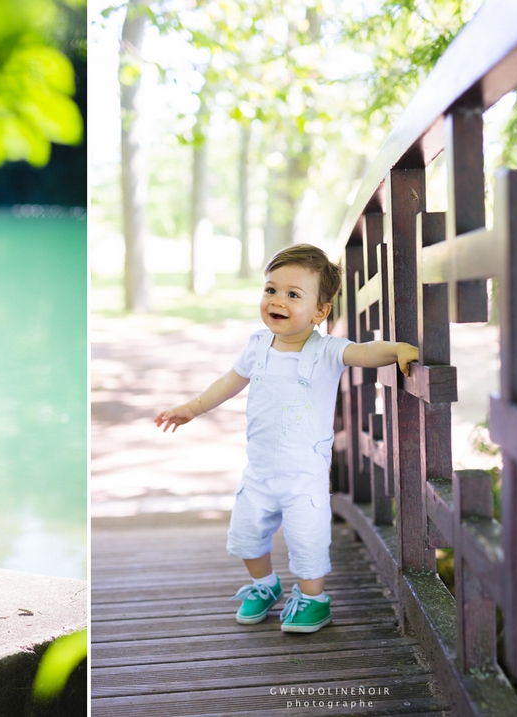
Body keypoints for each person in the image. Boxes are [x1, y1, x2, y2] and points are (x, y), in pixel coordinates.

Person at [155, 244, 418, 633]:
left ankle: (313, 599)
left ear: (320, 311)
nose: (277, 300)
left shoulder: (326, 351)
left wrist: (397, 350)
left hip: (304, 475)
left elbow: (364, 353)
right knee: (246, 536)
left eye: (293, 295)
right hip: (259, 470)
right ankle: (265, 585)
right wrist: (193, 407)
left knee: (307, 539)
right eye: (270, 289)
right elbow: (229, 382)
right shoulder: (257, 346)